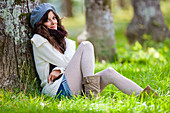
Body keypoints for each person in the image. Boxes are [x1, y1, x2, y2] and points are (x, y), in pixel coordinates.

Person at [30, 3, 158, 99]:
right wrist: (62, 65)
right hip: (57, 90)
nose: (53, 22)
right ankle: (91, 94)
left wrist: (59, 70)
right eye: (47, 20)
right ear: (40, 24)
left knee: (109, 72)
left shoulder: (59, 38)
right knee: (86, 45)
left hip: (69, 83)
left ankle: (148, 97)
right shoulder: (38, 41)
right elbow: (66, 61)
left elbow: (66, 64)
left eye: (54, 18)